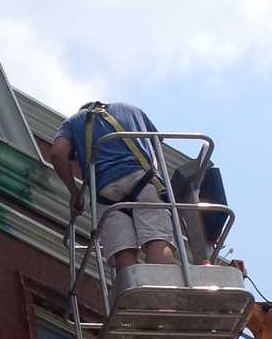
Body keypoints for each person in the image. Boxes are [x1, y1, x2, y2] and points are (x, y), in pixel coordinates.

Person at [45, 101, 177, 270]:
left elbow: (57, 152)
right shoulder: (132, 109)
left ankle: (137, 295)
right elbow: (157, 141)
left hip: (106, 194)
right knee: (157, 239)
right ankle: (164, 290)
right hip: (143, 180)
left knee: (123, 253)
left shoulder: (72, 123)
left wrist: (74, 192)